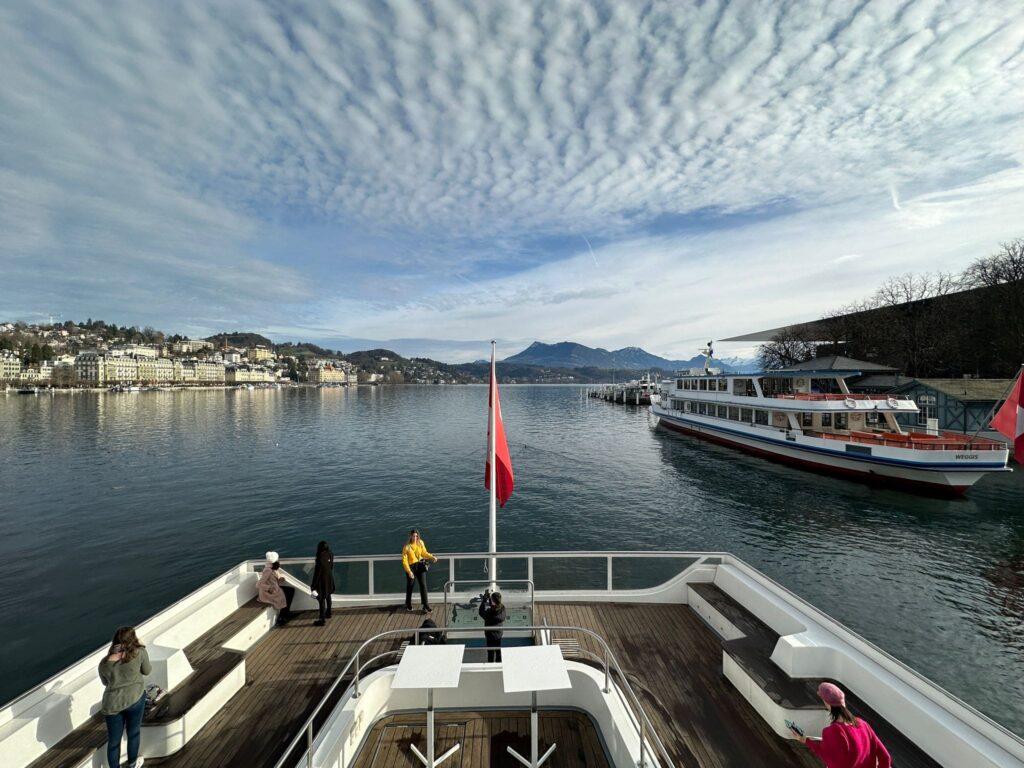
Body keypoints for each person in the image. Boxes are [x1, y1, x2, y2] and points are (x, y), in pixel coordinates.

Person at [791, 682, 891, 768]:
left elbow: (828, 758)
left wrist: (806, 741)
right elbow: (885, 757)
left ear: (827, 703)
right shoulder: (863, 724)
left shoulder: (831, 731)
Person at [98, 626, 151, 768]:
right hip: (135, 699)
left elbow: (105, 683)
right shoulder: (140, 652)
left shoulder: (104, 663)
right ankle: (133, 764)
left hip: (112, 706)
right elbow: (147, 671)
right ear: (133, 639)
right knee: (133, 732)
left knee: (113, 742)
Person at [402, 529, 437, 613]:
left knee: (423, 585)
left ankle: (426, 605)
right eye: (413, 536)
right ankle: (408, 604)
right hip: (411, 567)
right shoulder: (406, 546)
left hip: (420, 565)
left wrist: (432, 557)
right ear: (410, 536)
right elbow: (404, 561)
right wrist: (409, 571)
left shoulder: (420, 542)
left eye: (416, 536)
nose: (415, 538)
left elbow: (424, 553)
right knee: (410, 586)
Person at [257, 551, 295, 625]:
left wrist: (280, 579)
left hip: (274, 589)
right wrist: (269, 588)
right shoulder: (268, 570)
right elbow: (259, 584)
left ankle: (285, 614)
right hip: (269, 593)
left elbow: (273, 580)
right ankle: (282, 616)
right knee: (289, 592)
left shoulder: (272, 568)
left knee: (290, 591)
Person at [310, 540, 335, 626]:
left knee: (321, 599)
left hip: (322, 581)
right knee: (328, 595)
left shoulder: (320, 559)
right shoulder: (330, 554)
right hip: (329, 578)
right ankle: (329, 612)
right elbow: (331, 566)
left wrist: (313, 585)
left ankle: (322, 619)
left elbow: (317, 574)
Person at [478, 590, 506, 663]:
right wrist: (491, 601)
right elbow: (496, 606)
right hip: (499, 634)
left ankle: (491, 665)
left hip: (490, 635)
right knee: (498, 650)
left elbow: (481, 612)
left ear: (493, 602)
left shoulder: (489, 614)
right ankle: (499, 663)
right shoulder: (503, 609)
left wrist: (484, 600)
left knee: (491, 653)